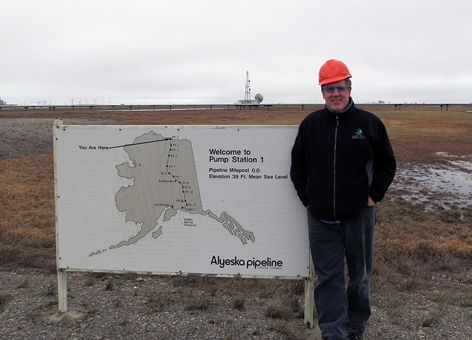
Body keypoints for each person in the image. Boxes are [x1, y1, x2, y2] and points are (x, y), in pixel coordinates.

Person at [290, 59, 396, 340]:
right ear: (322, 92)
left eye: (340, 87)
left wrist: (374, 195)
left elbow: (387, 163)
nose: (335, 93)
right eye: (328, 89)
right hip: (321, 219)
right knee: (329, 278)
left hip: (359, 216)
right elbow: (297, 166)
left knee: (360, 277)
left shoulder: (369, 123)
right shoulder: (311, 124)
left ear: (349, 87)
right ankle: (333, 332)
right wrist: (308, 199)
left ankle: (355, 326)